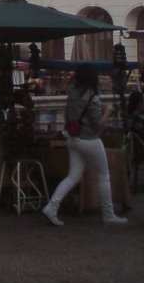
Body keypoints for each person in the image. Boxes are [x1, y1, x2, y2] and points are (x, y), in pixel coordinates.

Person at [42, 64, 127, 227]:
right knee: (103, 174)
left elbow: (67, 116)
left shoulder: (72, 94)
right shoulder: (93, 97)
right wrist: (108, 112)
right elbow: (97, 126)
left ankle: (52, 207)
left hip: (73, 139)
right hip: (90, 140)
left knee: (73, 176)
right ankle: (108, 214)